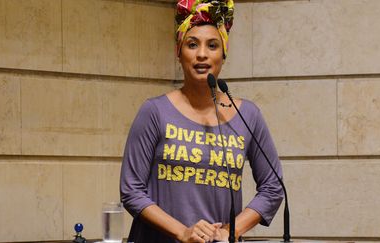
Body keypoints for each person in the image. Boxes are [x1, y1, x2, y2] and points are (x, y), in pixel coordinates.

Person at [120, 0, 284, 242]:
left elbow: (273, 186)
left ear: (223, 54)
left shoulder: (247, 115)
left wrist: (233, 229)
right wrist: (182, 232)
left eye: (213, 45)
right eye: (192, 44)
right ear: (179, 52)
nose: (202, 54)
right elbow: (131, 191)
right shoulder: (154, 111)